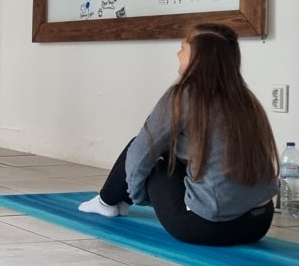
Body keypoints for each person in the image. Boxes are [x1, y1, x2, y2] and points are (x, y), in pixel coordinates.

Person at [78, 23, 279, 246]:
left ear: (198, 56)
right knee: (178, 152)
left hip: (207, 228)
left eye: (182, 47)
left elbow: (139, 154)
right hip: (257, 225)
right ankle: (112, 201)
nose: (177, 53)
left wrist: (138, 195)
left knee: (150, 153)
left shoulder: (184, 96)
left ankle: (107, 202)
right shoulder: (246, 100)